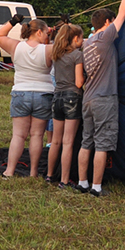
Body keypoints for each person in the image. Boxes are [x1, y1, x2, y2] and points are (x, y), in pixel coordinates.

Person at [75, 0, 125, 197]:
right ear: (107, 23)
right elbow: (124, 11)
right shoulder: (105, 39)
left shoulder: (87, 44)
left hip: (88, 99)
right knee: (102, 144)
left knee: (86, 141)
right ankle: (96, 187)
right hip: (104, 99)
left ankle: (82, 182)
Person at [0, 16, 53, 178]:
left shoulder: (16, 46)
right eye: (47, 33)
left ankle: (10, 170)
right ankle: (33, 171)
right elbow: (67, 45)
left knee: (18, 135)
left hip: (21, 92)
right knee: (37, 135)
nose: (48, 37)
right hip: (43, 94)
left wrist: (12, 22)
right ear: (39, 32)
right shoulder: (48, 50)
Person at [47, 23, 85, 188]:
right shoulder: (77, 55)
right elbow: (78, 82)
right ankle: (64, 179)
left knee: (55, 141)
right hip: (72, 98)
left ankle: (49, 175)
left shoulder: (56, 54)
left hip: (57, 98)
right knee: (68, 142)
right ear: (75, 38)